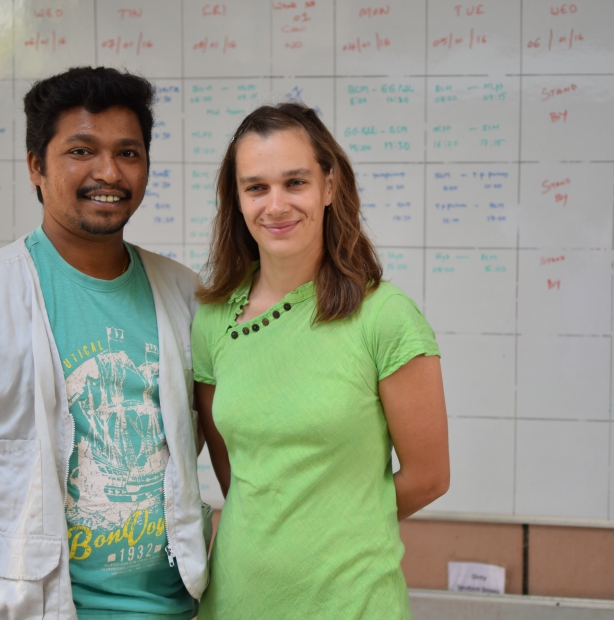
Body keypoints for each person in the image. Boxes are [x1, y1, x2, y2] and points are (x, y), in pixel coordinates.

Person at [0, 67, 210, 619]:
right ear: (36, 165)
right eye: (81, 150)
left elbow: (176, 442)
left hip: (171, 610)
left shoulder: (185, 294)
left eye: (128, 153)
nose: (108, 171)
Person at [192, 102, 450, 619]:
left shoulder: (386, 318)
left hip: (351, 604)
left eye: (295, 182)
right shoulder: (213, 320)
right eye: (256, 187)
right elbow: (237, 476)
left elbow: (429, 477)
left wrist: (336, 523)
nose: (276, 204)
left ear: (329, 186)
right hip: (236, 603)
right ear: (237, 199)